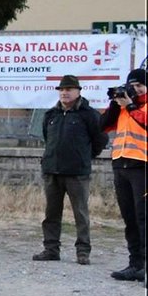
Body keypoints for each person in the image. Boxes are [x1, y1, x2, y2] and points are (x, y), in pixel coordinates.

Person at [102, 67, 148, 287]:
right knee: (129, 218)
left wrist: (131, 106)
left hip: (146, 165)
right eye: (131, 86)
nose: (135, 90)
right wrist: (115, 105)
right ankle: (136, 264)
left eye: (139, 86)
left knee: (144, 217)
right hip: (121, 163)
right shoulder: (125, 105)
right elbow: (102, 125)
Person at [35, 75, 107, 266]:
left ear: (78, 92)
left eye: (68, 89)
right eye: (61, 90)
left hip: (77, 173)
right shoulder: (51, 115)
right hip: (52, 171)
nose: (64, 93)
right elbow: (47, 138)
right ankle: (51, 249)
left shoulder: (89, 115)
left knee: (80, 214)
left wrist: (84, 156)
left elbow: (101, 139)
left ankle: (83, 252)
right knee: (51, 214)